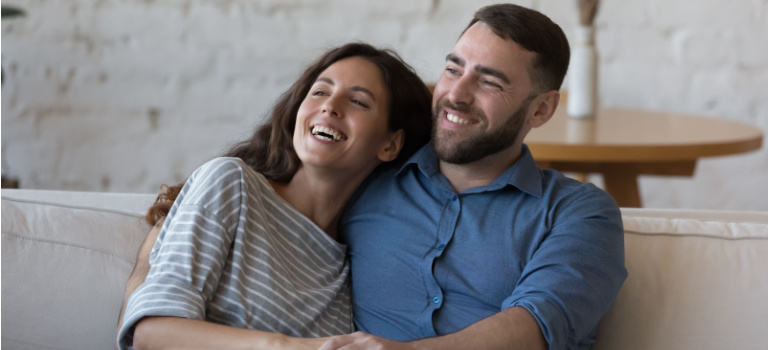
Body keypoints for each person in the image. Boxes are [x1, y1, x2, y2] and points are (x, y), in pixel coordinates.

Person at [319, 4, 626, 350]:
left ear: (541, 109)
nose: (456, 95)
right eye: (453, 69)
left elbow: (538, 325)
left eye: (489, 82)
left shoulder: (580, 213)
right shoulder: (368, 179)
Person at [116, 42, 433, 350]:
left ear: (390, 144)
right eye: (320, 91)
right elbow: (152, 333)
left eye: (358, 102)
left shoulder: (354, 264)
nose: (329, 106)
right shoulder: (232, 183)